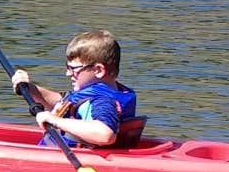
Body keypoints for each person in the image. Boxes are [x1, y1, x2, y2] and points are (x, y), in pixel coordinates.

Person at [9, 30, 138, 149]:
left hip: (71, 160)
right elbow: (63, 102)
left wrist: (55, 120)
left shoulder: (102, 100)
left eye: (73, 69)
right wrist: (29, 88)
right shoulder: (103, 92)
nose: (68, 73)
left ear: (98, 70)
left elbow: (106, 134)